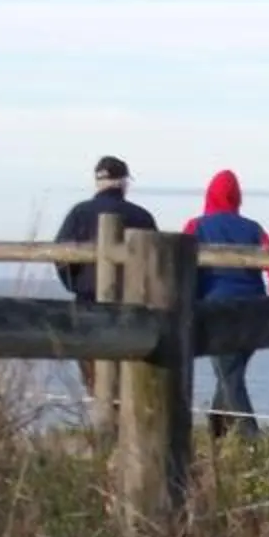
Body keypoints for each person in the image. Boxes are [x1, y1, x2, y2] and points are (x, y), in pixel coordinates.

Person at [185, 169, 269, 439]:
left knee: (229, 377)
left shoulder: (197, 227)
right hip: (255, 309)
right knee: (230, 374)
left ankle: (251, 438)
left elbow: (181, 266)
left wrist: (189, 300)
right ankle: (216, 434)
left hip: (215, 310)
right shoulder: (254, 229)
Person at [53, 156, 156, 417]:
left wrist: (75, 283)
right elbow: (156, 264)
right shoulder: (141, 216)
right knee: (131, 376)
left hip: (87, 305)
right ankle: (126, 432)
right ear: (124, 183)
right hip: (132, 307)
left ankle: (103, 429)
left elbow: (60, 255)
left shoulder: (78, 214)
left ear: (97, 181)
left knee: (94, 376)